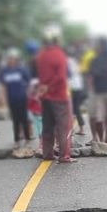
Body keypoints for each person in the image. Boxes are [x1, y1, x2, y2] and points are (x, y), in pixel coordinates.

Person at [36, 25, 73, 163]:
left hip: (45, 97)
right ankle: (64, 156)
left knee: (47, 126)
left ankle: (47, 154)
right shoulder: (59, 54)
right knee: (63, 127)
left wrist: (44, 88)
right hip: (59, 95)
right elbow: (61, 77)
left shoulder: (41, 55)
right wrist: (49, 87)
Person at [0, 48, 32, 148]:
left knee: (24, 119)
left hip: (22, 97)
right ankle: (17, 140)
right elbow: (3, 85)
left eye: (12, 58)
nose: (11, 60)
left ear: (16, 59)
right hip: (11, 98)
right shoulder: (5, 71)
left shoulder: (22, 69)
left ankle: (27, 138)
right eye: (9, 58)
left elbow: (28, 83)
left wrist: (29, 95)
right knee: (15, 120)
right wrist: (2, 97)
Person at [67, 48, 88, 135]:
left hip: (70, 88)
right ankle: (81, 128)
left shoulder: (66, 62)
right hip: (79, 88)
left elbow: (67, 75)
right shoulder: (77, 63)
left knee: (70, 109)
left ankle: (70, 129)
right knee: (76, 108)